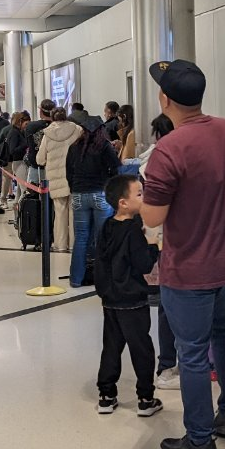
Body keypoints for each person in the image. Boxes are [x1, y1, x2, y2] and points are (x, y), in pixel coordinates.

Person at [140, 59, 225, 449]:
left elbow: (153, 217)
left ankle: (200, 439)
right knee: (224, 335)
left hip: (190, 269)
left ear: (164, 99)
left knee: (190, 352)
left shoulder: (169, 149)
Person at [94, 174, 163, 418]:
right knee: (141, 348)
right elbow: (143, 264)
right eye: (139, 194)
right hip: (133, 300)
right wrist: (153, 247)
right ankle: (145, 398)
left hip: (110, 300)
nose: (143, 198)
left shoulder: (106, 226)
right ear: (123, 202)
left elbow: (101, 261)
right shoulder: (133, 232)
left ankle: (106, 394)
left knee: (111, 347)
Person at [139, 113, 178, 387]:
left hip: (162, 238)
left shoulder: (149, 159)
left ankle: (168, 364)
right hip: (173, 239)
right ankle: (169, 365)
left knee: (168, 303)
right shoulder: (164, 159)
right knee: (169, 304)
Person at [66, 110, 120, 288]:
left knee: (81, 238)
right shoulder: (104, 146)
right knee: (101, 238)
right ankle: (103, 280)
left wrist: (75, 189)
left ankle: (75, 279)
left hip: (79, 195)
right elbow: (116, 168)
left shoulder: (74, 147)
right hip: (100, 194)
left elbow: (69, 173)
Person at [36, 108, 82, 253]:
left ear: (52, 117)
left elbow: (40, 158)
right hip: (75, 176)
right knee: (74, 212)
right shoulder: (77, 130)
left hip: (56, 178)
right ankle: (74, 244)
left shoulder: (48, 134)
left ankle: (60, 245)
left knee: (60, 212)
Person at [23, 98, 55, 186]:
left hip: (36, 166)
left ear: (41, 111)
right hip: (55, 167)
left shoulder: (31, 126)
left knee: (33, 195)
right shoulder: (58, 127)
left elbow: (28, 144)